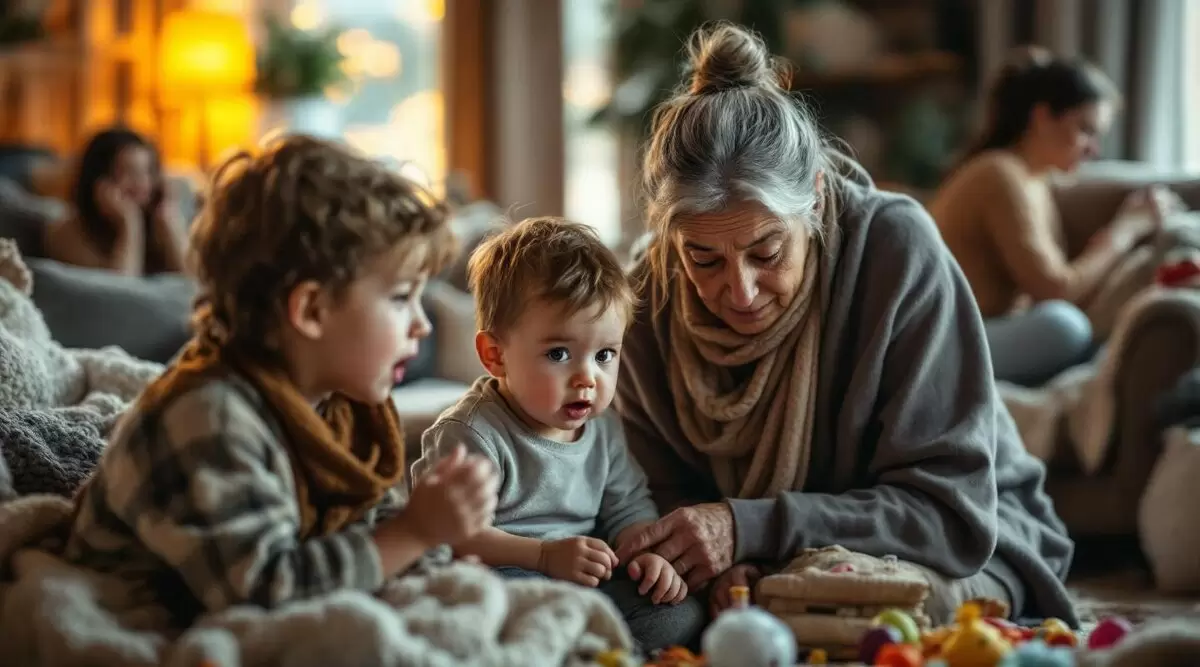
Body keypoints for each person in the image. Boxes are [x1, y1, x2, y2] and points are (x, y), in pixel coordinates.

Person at [612, 23, 1079, 627]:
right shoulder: (647, 298)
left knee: (852, 610)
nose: (740, 291)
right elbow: (658, 494)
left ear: (814, 195)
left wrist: (750, 529)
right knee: (652, 615)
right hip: (753, 558)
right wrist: (720, 561)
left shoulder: (895, 249)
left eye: (766, 252)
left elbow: (948, 516)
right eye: (704, 260)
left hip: (961, 542)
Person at [65, 134, 499, 625]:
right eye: (401, 298)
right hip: (137, 609)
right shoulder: (209, 415)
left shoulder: (337, 401)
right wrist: (414, 532)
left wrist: (433, 556)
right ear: (311, 310)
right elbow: (263, 592)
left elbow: (366, 520)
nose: (422, 325)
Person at [413, 217, 706, 651]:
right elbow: (449, 533)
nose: (587, 378)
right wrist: (543, 556)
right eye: (558, 354)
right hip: (503, 574)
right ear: (495, 355)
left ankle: (573, 642)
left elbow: (626, 507)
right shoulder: (470, 433)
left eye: (604, 355)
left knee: (679, 613)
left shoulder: (604, 428)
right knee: (476, 607)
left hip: (583, 579)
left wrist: (646, 555)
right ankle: (561, 644)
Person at [928, 47, 1171, 386]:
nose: (1094, 149)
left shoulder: (1034, 179)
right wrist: (1125, 231)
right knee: (1065, 325)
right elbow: (1055, 290)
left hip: (990, 330)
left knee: (1084, 328)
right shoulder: (998, 175)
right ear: (1042, 117)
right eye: (1085, 129)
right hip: (949, 341)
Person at [43, 127, 189, 276]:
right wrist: (130, 224)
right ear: (100, 180)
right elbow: (119, 287)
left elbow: (195, 283)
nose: (142, 184)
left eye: (147, 172)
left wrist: (170, 224)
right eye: (129, 172)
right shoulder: (67, 231)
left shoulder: (160, 222)